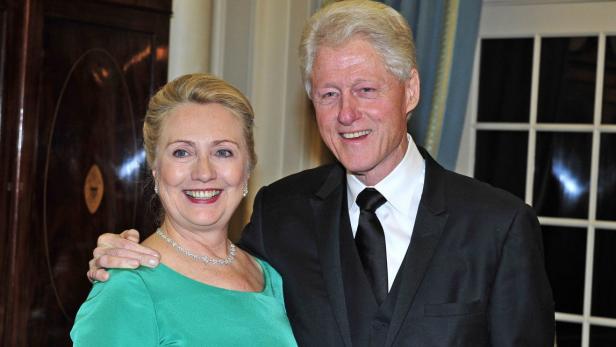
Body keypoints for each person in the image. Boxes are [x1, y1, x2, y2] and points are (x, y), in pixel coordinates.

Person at [87, 1, 555, 346]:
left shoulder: (499, 227)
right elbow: (205, 276)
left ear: (409, 90)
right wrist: (119, 256)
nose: (347, 113)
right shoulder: (280, 213)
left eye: (366, 89)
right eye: (329, 94)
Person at [71, 73, 297, 346]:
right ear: (155, 170)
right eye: (182, 152)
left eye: (223, 152)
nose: (204, 172)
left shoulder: (268, 277)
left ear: (247, 169)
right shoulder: (127, 286)